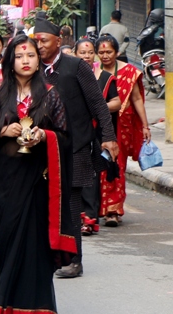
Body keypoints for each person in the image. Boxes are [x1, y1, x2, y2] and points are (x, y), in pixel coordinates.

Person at [0, 34, 76, 314]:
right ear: (10, 61)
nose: (26, 61)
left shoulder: (51, 94)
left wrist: (45, 135)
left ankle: (25, 306)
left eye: (31, 56)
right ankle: (12, 299)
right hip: (6, 179)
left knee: (35, 242)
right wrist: (0, 132)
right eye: (19, 56)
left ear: (39, 60)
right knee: (10, 237)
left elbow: (66, 138)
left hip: (39, 180)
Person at [32, 17, 117, 278]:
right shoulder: (31, 69)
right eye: (36, 41)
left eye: (44, 41)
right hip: (43, 145)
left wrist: (108, 136)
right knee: (42, 201)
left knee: (71, 202)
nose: (39, 46)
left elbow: (97, 103)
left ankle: (75, 259)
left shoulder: (76, 66)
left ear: (59, 41)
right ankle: (50, 254)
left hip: (76, 144)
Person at [96, 34, 150, 227]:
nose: (105, 56)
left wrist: (145, 125)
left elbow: (136, 99)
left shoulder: (129, 72)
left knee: (117, 166)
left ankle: (113, 210)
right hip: (97, 126)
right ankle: (96, 208)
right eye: (101, 52)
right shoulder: (93, 73)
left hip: (122, 126)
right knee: (99, 166)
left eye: (108, 52)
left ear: (117, 52)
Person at [76, 37, 118, 235]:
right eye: (82, 52)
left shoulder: (104, 77)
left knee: (91, 175)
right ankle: (78, 215)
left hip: (96, 133)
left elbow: (115, 102)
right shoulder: (70, 76)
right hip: (74, 133)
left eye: (89, 52)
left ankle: (90, 217)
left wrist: (97, 110)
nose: (86, 56)